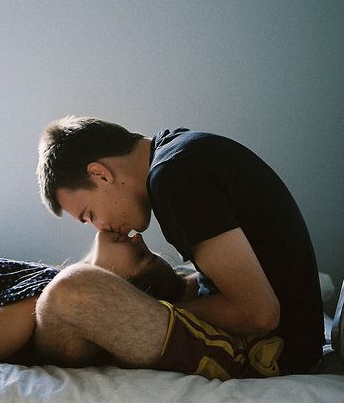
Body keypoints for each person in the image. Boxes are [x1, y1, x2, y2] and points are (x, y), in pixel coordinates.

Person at [35, 116, 324, 378]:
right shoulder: (179, 152)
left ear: (100, 174)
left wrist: (148, 311)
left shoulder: (174, 177)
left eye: (90, 215)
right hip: (288, 339)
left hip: (273, 351)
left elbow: (259, 313)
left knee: (70, 292)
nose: (101, 227)